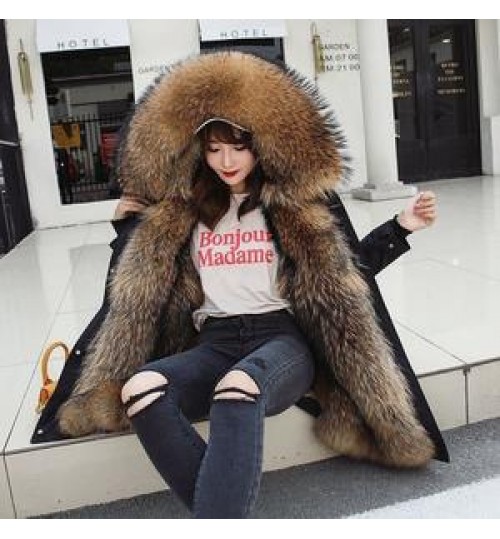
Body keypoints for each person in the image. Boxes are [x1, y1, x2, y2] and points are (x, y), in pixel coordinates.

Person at [33, 52, 448, 518]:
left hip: (282, 341)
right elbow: (136, 294)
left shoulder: (293, 206)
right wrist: (127, 231)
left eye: (238, 146)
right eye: (213, 149)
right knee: (141, 390)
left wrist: (400, 228)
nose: (225, 161)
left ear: (261, 145)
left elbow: (345, 276)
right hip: (215, 340)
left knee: (237, 389)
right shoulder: (184, 211)